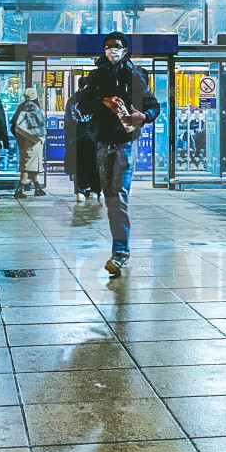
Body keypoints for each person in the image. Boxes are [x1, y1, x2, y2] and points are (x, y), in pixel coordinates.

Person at [77, 31, 162, 276]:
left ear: (125, 50)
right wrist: (103, 101)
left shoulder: (136, 75)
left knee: (118, 198)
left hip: (126, 142)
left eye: (117, 46)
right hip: (103, 142)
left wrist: (143, 117)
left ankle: (120, 253)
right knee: (109, 197)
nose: (112, 50)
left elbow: (154, 106)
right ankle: (119, 251)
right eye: (108, 46)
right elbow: (82, 105)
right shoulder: (96, 76)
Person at [64, 77, 100, 201]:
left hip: (76, 138)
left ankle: (80, 190)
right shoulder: (94, 99)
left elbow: (68, 122)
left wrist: (68, 141)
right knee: (94, 164)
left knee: (79, 165)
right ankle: (94, 189)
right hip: (92, 137)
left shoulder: (72, 100)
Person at [10, 87, 48, 198]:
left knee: (31, 164)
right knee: (27, 165)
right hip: (34, 141)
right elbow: (40, 126)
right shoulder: (34, 108)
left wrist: (19, 139)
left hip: (23, 141)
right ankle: (19, 189)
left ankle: (37, 187)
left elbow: (13, 125)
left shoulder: (21, 107)